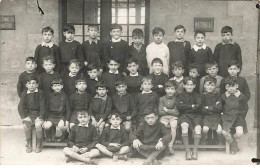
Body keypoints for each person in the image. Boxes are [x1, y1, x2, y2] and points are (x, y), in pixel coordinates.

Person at [176, 77, 202, 160]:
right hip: (184, 115)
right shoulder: (180, 95)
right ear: (184, 85)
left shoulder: (197, 95)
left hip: (195, 115)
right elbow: (180, 107)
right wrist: (191, 106)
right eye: (187, 85)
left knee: (198, 128)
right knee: (184, 126)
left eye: (191, 85)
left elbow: (198, 107)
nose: (189, 87)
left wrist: (185, 106)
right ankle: (187, 151)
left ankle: (195, 151)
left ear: (194, 86)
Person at [220, 77, 248, 154]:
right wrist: (223, 116)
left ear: (237, 86)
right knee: (224, 132)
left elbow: (245, 108)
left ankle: (233, 140)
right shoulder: (223, 96)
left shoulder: (241, 96)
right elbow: (221, 108)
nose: (230, 88)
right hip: (227, 118)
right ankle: (233, 144)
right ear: (225, 87)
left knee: (239, 133)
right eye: (228, 86)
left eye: (232, 86)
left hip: (238, 117)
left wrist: (241, 117)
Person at [18, 76, 45, 153]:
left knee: (38, 125)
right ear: (26, 85)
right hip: (29, 114)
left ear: (37, 85)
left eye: (34, 83)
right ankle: (29, 142)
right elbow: (20, 106)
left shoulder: (40, 93)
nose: (32, 85)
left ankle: (39, 142)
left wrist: (40, 116)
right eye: (29, 83)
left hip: (38, 114)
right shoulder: (24, 93)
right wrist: (25, 117)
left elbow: (43, 105)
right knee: (25, 125)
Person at [43, 78, 70, 142]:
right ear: (52, 87)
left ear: (62, 86)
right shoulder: (50, 96)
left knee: (61, 126)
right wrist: (46, 119)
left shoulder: (65, 96)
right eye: (55, 86)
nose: (57, 87)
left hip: (61, 116)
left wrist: (67, 120)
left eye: (59, 85)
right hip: (51, 116)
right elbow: (46, 108)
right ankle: (48, 136)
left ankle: (63, 136)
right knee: (46, 126)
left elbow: (68, 109)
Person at [158, 80, 179, 155]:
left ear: (175, 90)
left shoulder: (176, 99)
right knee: (162, 126)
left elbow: (177, 112)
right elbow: (160, 112)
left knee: (174, 125)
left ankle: (170, 146)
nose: (170, 91)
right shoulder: (162, 99)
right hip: (164, 117)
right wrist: (171, 110)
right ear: (165, 89)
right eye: (168, 89)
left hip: (173, 117)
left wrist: (166, 110)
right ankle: (163, 145)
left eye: (172, 89)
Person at [200, 76, 223, 145]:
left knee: (219, 130)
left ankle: (220, 141)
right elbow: (201, 109)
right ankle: (203, 140)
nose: (210, 87)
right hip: (206, 117)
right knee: (205, 129)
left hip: (216, 117)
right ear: (204, 85)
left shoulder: (218, 96)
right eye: (208, 85)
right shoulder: (202, 96)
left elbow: (219, 108)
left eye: (212, 85)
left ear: (215, 86)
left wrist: (208, 107)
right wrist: (213, 108)